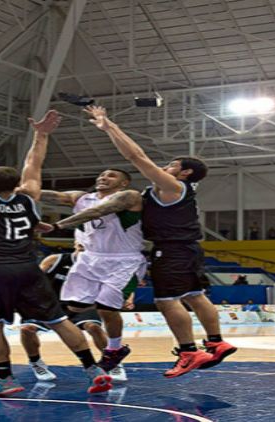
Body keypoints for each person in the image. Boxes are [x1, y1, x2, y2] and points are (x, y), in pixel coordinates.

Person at [0, 106, 111, 397]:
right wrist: (41, 135)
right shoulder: (30, 197)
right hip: (27, 268)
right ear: (16, 184)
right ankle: (94, 369)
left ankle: (6, 380)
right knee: (58, 320)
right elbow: (34, 163)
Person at [79, 105, 235, 377]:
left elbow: (135, 156)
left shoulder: (172, 187)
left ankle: (188, 351)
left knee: (166, 301)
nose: (166, 166)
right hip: (188, 249)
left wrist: (109, 127)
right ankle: (216, 341)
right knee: (195, 296)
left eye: (173, 164)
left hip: (172, 250)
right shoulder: (177, 191)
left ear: (185, 172)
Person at [37, 168, 145, 376]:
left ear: (124, 183)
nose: (103, 178)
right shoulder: (83, 198)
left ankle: (114, 348)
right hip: (91, 258)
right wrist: (8, 189)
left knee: (106, 308)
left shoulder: (130, 196)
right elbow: (50, 195)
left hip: (123, 259)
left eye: (111, 175)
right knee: (75, 307)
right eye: (101, 175)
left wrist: (57, 226)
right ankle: (109, 305)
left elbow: (97, 212)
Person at [20, 244, 137, 383]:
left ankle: (114, 362)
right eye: (81, 241)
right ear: (75, 243)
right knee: (27, 329)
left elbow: (120, 283)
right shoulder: (55, 260)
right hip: (51, 304)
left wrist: (128, 298)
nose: (83, 244)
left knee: (94, 327)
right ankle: (36, 362)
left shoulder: (100, 264)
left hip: (83, 304)